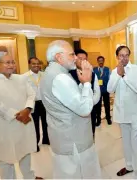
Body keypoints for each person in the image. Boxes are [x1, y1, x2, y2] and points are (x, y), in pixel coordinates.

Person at [39, 40, 101, 178]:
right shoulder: (60, 77)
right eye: (72, 54)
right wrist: (86, 83)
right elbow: (84, 109)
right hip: (73, 139)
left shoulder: (50, 73)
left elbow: (70, 99)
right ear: (59, 57)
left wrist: (81, 85)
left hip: (62, 135)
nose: (75, 58)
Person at [0, 52, 40, 179]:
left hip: (24, 122)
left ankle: (29, 177)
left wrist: (27, 109)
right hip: (4, 126)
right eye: (7, 62)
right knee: (6, 157)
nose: (11, 65)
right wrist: (17, 115)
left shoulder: (21, 78)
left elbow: (32, 94)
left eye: (13, 62)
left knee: (25, 152)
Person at [107, 45, 137, 179]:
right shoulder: (113, 71)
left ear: (129, 55)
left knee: (135, 144)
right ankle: (129, 166)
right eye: (121, 55)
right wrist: (117, 74)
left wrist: (124, 76)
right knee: (126, 143)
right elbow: (110, 89)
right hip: (121, 113)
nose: (124, 58)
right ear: (117, 57)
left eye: (126, 55)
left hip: (135, 114)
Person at [69, 49, 100, 138]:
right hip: (76, 111)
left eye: (85, 59)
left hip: (90, 109)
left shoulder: (93, 74)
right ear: (75, 59)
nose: (83, 61)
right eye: (80, 58)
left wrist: (89, 103)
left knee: (91, 133)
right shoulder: (69, 74)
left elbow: (97, 92)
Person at [22, 57, 50, 152]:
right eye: (34, 63)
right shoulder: (24, 77)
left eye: (38, 63)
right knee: (35, 124)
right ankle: (35, 144)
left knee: (46, 122)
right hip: (33, 103)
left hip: (44, 102)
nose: (36, 65)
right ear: (29, 64)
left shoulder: (44, 75)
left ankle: (46, 140)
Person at [93, 56, 112, 126]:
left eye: (102, 60)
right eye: (99, 60)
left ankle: (108, 118)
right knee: (98, 106)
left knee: (107, 105)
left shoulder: (108, 69)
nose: (101, 62)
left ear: (104, 61)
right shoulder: (94, 70)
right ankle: (98, 120)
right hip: (98, 91)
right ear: (97, 61)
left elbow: (110, 80)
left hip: (106, 90)